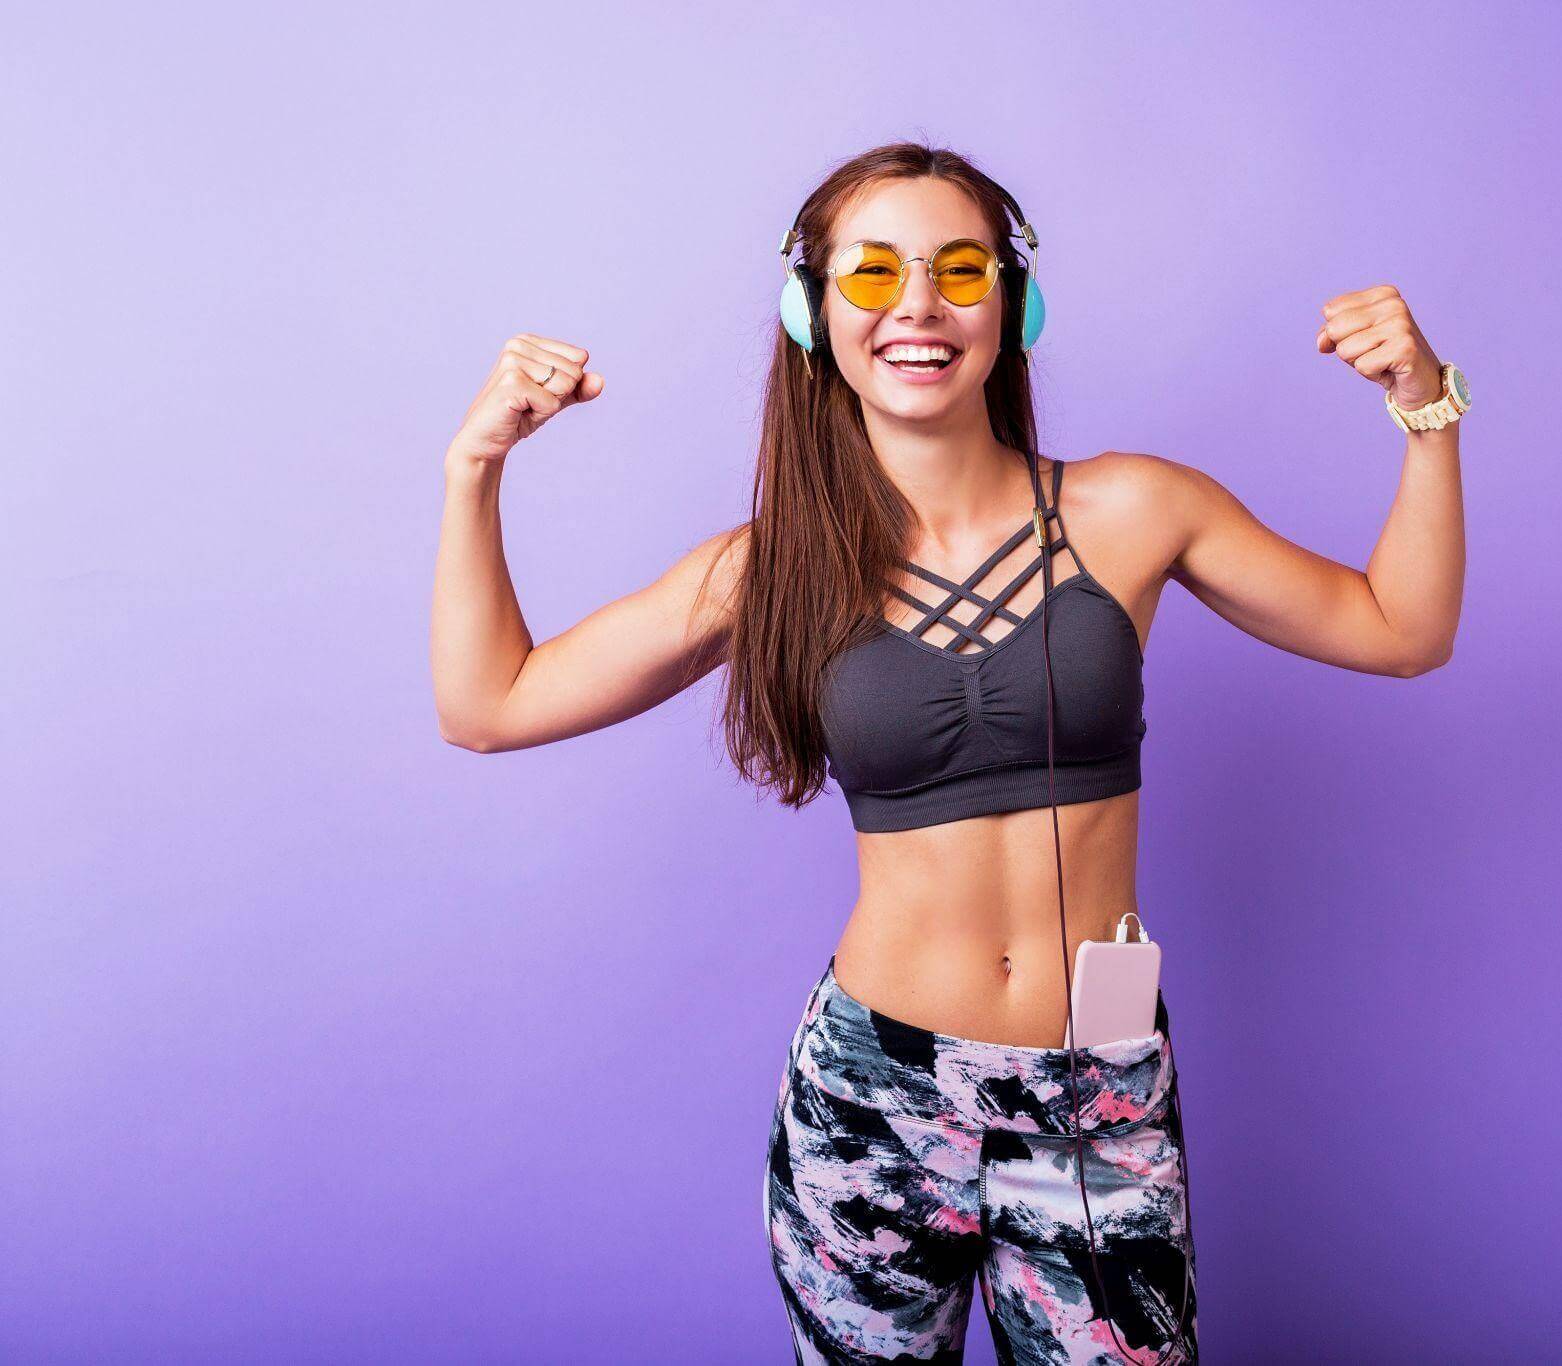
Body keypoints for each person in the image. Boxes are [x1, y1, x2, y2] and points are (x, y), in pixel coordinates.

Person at [430, 140, 1466, 1365]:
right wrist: (474, 468)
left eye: (956, 268)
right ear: (812, 312)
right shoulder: (772, 565)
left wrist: (1424, 409)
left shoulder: (1134, 508)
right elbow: (488, 702)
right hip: (871, 1098)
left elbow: (1400, 631)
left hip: (1095, 1091)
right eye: (870, 274)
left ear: (1011, 304)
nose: (916, 305)